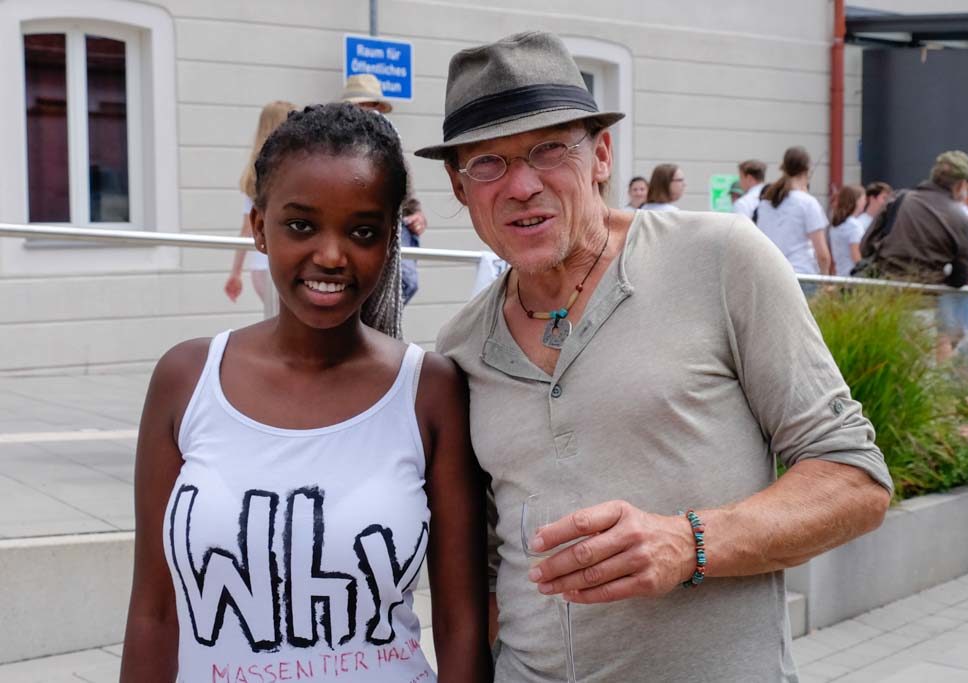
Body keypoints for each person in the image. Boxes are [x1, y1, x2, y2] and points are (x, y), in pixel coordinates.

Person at [415, 31, 892, 682]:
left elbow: (855, 479)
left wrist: (689, 542)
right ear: (460, 186)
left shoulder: (721, 258)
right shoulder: (461, 347)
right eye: (487, 163)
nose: (521, 184)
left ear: (602, 154)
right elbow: (488, 567)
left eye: (548, 149)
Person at [120, 104, 491, 683]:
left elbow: (460, 620)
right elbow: (154, 611)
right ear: (258, 228)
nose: (331, 255)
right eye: (301, 225)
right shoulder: (186, 379)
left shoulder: (429, 390)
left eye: (363, 231)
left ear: (391, 240)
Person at [859, 151, 968, 361]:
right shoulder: (960, 219)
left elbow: (865, 247)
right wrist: (938, 277)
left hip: (877, 300)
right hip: (920, 307)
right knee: (913, 374)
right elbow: (962, 276)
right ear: (961, 184)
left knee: (875, 371)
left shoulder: (899, 199)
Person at [339, 74, 428, 304]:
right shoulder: (337, 143)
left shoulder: (389, 140)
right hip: (352, 222)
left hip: (389, 222)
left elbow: (404, 185)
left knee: (405, 281)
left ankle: (375, 330)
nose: (369, 112)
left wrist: (415, 214)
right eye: (362, 106)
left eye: (372, 106)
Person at [224, 100, 294, 317]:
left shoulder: (255, 172)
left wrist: (235, 272)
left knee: (279, 324)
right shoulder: (289, 172)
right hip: (282, 262)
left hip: (261, 265)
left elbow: (247, 228)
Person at [755, 146, 832, 280]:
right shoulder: (808, 203)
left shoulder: (765, 203)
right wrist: (825, 278)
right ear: (807, 170)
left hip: (771, 275)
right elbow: (822, 254)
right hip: (801, 274)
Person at [829, 184, 867, 276]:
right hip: (852, 277)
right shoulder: (854, 225)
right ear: (857, 201)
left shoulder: (836, 225)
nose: (865, 202)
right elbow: (856, 254)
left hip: (840, 274)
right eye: (863, 199)